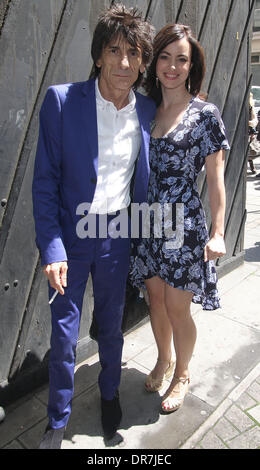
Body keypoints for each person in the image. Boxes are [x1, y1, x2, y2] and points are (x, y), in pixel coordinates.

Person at [32, 4, 155, 448]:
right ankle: (57, 418)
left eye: (134, 53)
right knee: (63, 336)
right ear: (99, 55)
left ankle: (108, 396)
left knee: (110, 325)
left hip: (118, 237)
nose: (125, 62)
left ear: (143, 61)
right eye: (115, 50)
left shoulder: (146, 111)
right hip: (70, 238)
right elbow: (44, 182)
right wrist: (52, 248)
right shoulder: (62, 101)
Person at [130, 23, 229, 413]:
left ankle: (183, 372)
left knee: (176, 306)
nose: (172, 67)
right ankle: (163, 358)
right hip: (146, 221)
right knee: (155, 300)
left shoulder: (205, 114)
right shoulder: (144, 108)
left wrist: (218, 232)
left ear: (192, 66)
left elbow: (217, 182)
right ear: (155, 64)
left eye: (181, 59)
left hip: (182, 226)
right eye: (166, 57)